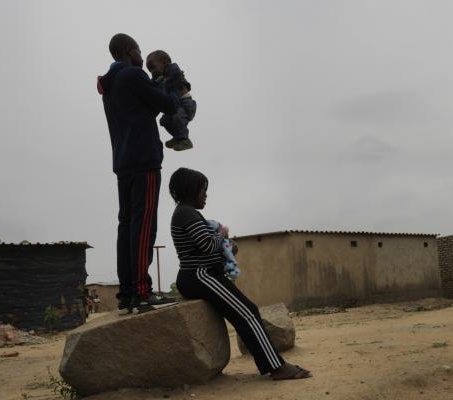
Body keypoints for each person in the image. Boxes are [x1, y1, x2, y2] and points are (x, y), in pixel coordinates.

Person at [169, 167, 311, 380]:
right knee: (247, 311)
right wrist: (223, 236)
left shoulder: (187, 213)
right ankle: (277, 367)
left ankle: (274, 364)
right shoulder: (186, 214)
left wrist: (227, 246)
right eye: (202, 190)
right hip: (200, 274)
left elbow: (207, 246)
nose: (205, 194)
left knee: (246, 311)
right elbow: (207, 245)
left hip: (204, 274)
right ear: (190, 190)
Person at [97, 33, 182, 315]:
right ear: (130, 51)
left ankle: (128, 294)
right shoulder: (132, 75)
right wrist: (170, 78)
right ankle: (143, 292)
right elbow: (169, 105)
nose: (142, 61)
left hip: (122, 162)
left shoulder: (109, 85)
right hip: (144, 159)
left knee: (127, 226)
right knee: (144, 225)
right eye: (139, 53)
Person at [146, 50, 196, 151]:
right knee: (164, 121)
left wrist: (161, 86)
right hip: (176, 105)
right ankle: (177, 137)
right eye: (149, 70)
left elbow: (172, 79)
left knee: (177, 117)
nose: (152, 72)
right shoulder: (160, 78)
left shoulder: (173, 69)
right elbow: (152, 86)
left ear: (164, 63)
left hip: (186, 105)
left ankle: (184, 139)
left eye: (153, 67)